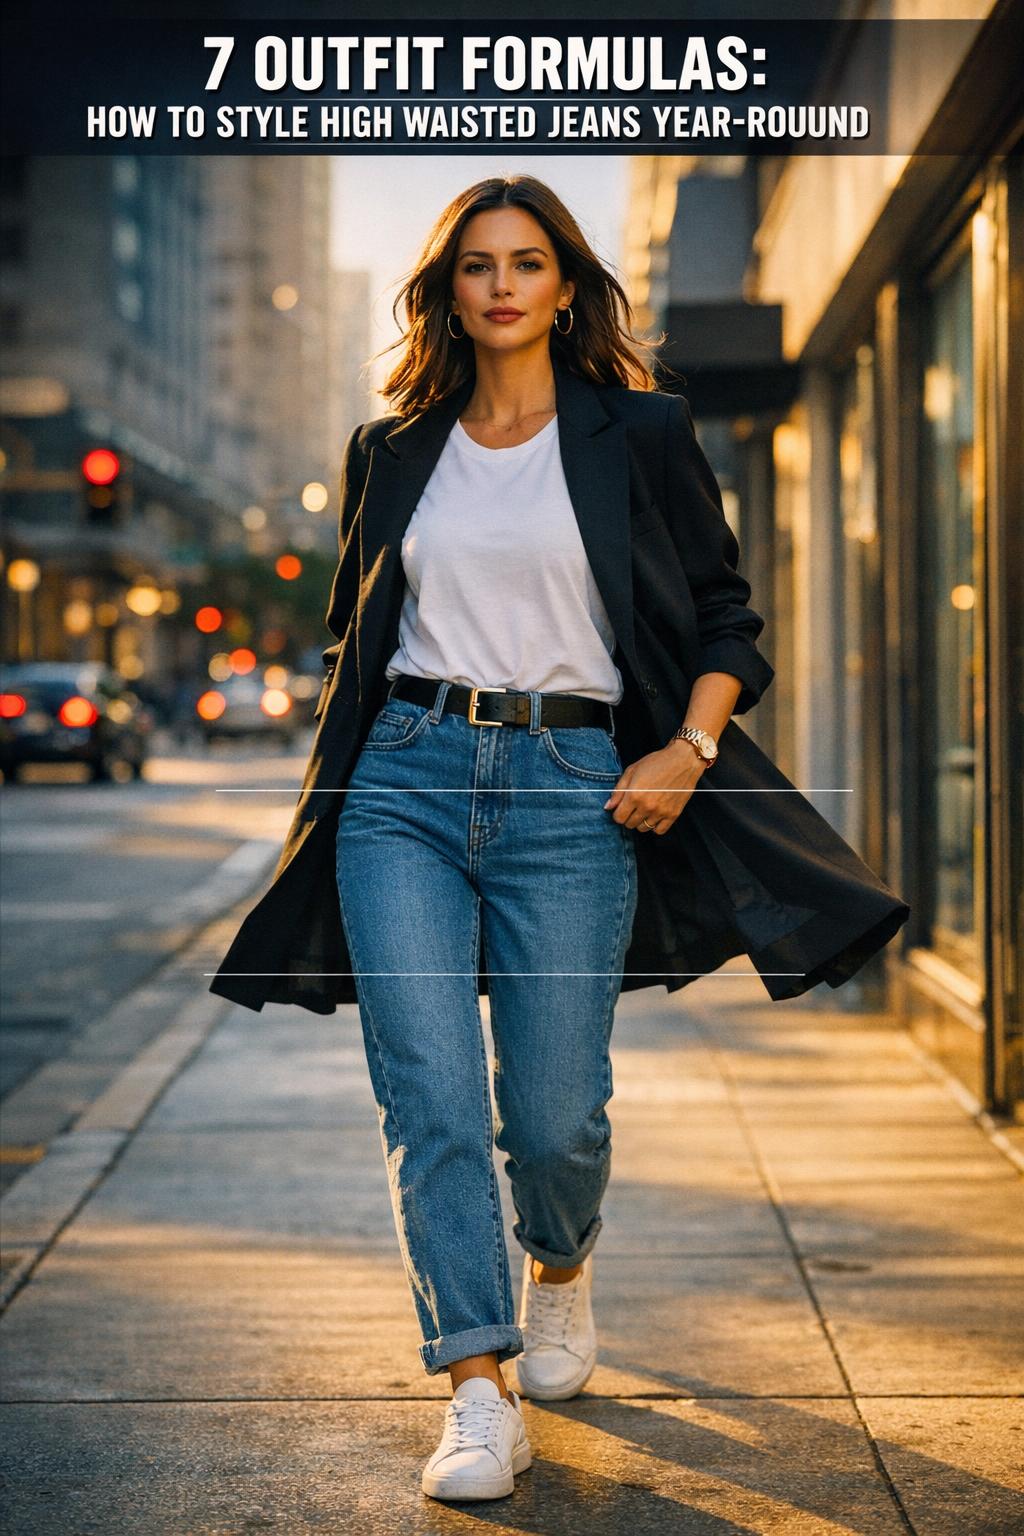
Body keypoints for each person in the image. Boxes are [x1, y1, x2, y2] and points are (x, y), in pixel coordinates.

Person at [332, 173, 757, 1504]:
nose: (503, 284)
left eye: (528, 262)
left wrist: (686, 752)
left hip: (579, 786)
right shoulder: (392, 447)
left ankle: (559, 1271)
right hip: (404, 777)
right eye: (477, 265)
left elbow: (728, 614)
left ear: (565, 284)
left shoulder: (639, 433)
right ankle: (477, 1389)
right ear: (447, 290)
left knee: (556, 1117)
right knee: (432, 1101)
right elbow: (359, 630)